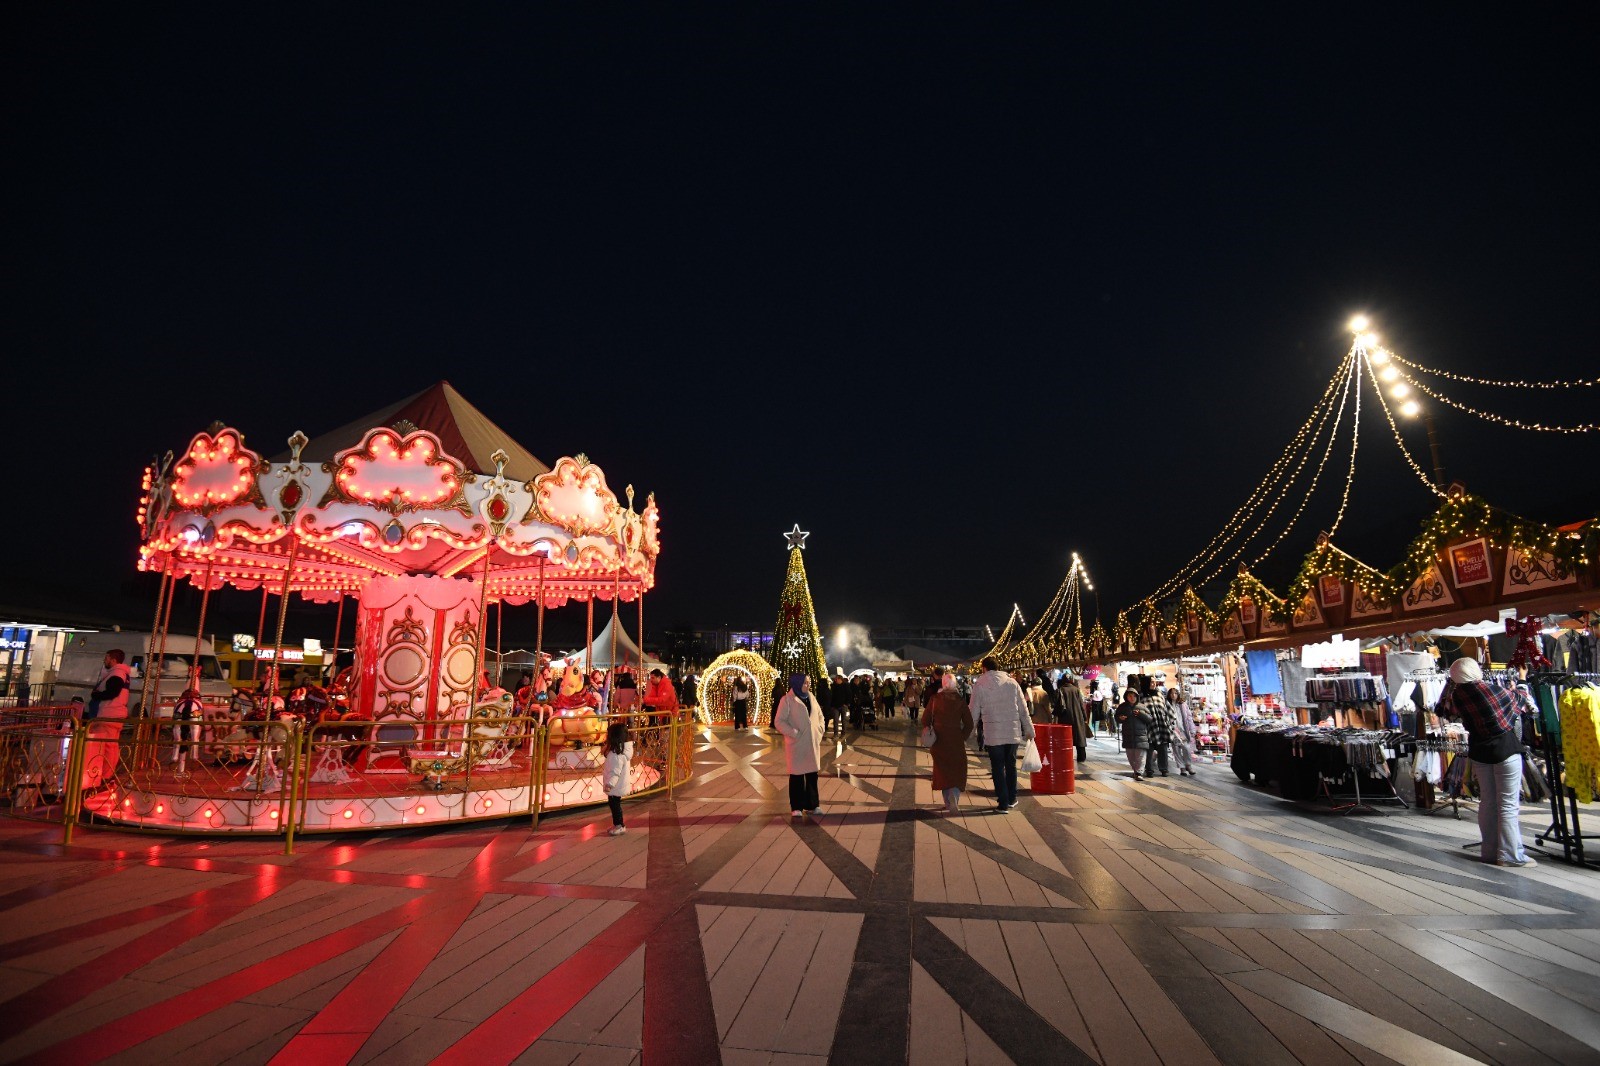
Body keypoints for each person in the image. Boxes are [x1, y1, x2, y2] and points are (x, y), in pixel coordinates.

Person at [1436, 658, 1533, 867]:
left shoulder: (1458, 696)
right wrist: (1523, 679)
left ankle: (1489, 852)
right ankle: (1510, 856)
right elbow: (1519, 699)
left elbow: (1443, 709)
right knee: (1507, 805)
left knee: (1488, 803)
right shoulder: (1491, 690)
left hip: (1479, 752)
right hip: (1504, 750)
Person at [968, 656, 1034, 813]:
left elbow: (974, 710)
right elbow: (1023, 710)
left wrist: (969, 731)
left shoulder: (980, 684)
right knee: (1011, 765)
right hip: (1012, 733)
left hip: (993, 734)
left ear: (984, 668)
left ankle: (1003, 803)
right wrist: (1029, 729)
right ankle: (1012, 798)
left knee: (997, 767)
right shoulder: (1012, 683)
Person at [774, 673, 825, 817]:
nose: (807, 685)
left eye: (808, 682)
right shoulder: (787, 700)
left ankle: (813, 805)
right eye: (805, 683)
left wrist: (819, 730)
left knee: (812, 775)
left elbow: (820, 716)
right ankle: (796, 807)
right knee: (797, 776)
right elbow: (779, 721)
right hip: (797, 744)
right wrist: (793, 733)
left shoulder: (811, 697)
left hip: (811, 742)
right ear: (796, 684)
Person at [921, 671, 973, 813]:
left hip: (939, 740)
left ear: (943, 684)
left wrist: (932, 727)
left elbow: (925, 720)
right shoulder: (960, 700)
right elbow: (969, 724)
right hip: (956, 739)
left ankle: (947, 801)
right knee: (957, 769)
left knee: (942, 770)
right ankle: (954, 799)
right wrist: (962, 736)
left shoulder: (935, 699)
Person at [83, 649, 131, 789]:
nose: (105, 660)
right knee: (111, 745)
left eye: (107, 658)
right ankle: (106, 774)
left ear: (113, 660)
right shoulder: (122, 673)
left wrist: (97, 695)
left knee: (107, 746)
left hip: (109, 713)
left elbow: (112, 693)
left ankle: (105, 775)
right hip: (114, 713)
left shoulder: (116, 674)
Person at [602, 719, 634, 836]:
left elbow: (615, 772)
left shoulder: (616, 755)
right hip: (618, 784)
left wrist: (610, 784)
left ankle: (620, 825)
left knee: (615, 806)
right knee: (615, 805)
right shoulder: (620, 751)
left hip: (615, 786)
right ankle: (618, 824)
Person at [1115, 687, 1151, 780]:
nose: (1132, 698)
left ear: (1137, 697)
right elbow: (1116, 717)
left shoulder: (1142, 706)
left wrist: (1140, 714)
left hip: (1141, 736)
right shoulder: (1122, 707)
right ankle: (1136, 771)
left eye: (1134, 696)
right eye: (1129, 696)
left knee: (1140, 756)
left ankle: (1139, 772)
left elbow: (1149, 719)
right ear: (1126, 697)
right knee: (1131, 756)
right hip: (1128, 736)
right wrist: (1120, 718)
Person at [1054, 672, 1090, 765]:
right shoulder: (1076, 690)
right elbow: (1081, 705)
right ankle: (1081, 757)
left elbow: (1057, 705)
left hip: (1065, 717)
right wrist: (1085, 717)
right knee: (1079, 737)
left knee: (1066, 738)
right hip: (1077, 716)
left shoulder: (1060, 690)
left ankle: (1066, 756)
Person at [1141, 679, 1173, 777]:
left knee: (1163, 749)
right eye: (1151, 682)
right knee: (1149, 750)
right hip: (1149, 727)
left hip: (1162, 726)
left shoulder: (1160, 695)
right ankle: (1149, 770)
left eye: (1154, 682)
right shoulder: (1141, 696)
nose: (1153, 684)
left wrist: (1168, 722)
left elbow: (1168, 709)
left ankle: (1164, 769)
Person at [1168, 688, 1198, 776]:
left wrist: (1192, 730)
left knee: (1186, 748)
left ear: (1178, 694)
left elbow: (1189, 717)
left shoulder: (1183, 704)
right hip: (1173, 731)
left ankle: (1188, 765)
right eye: (1171, 694)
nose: (1173, 695)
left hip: (1184, 730)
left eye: (1175, 693)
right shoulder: (1167, 705)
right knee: (1176, 750)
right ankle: (1182, 768)